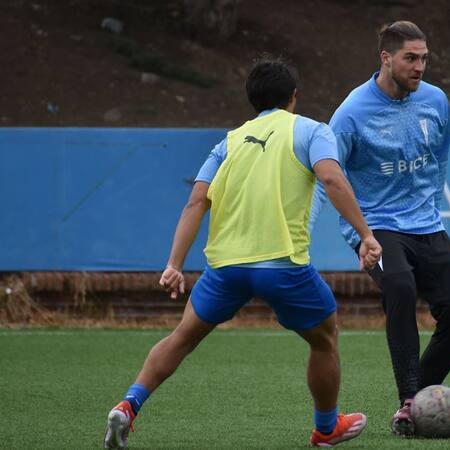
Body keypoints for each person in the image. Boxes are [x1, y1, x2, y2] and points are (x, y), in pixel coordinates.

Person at [103, 57, 381, 449]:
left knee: (181, 337)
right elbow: (332, 178)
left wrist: (174, 264)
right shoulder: (311, 131)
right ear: (293, 97)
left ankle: (128, 406)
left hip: (226, 266)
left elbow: (196, 202)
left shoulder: (228, 142)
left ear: (253, 100)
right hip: (283, 265)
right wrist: (365, 234)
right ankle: (325, 428)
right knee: (325, 339)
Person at [324, 20, 450, 436]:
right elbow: (330, 173)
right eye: (410, 58)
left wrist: (430, 208)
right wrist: (359, 235)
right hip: (378, 226)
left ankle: (417, 401)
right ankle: (410, 398)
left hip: (426, 223)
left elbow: (439, 158)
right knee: (401, 288)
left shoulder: (436, 100)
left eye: (424, 58)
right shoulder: (351, 113)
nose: (420, 66)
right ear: (385, 59)